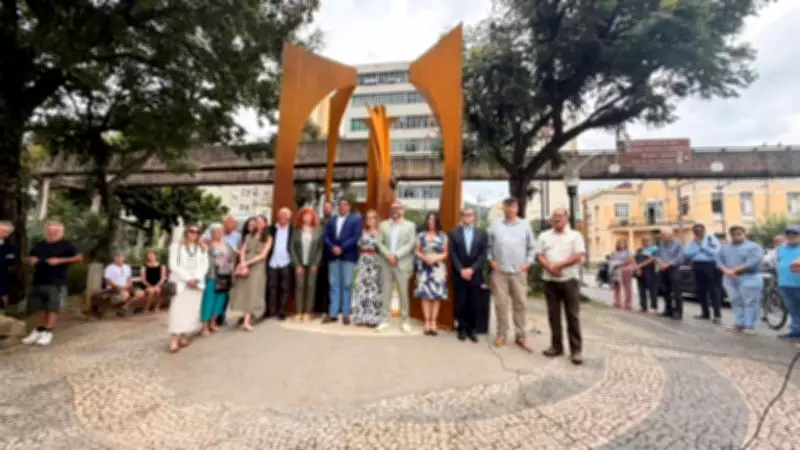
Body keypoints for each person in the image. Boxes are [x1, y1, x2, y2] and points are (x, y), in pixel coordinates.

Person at [537, 208, 586, 365]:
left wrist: (559, 266)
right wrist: (550, 267)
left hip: (569, 280)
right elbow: (539, 255)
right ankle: (556, 346)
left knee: (572, 316)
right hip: (549, 281)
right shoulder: (544, 236)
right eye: (554, 216)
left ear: (567, 217)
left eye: (560, 216)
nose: (557, 219)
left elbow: (578, 255)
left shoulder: (575, 236)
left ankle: (576, 350)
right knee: (553, 316)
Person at [21, 221, 82, 347]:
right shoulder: (40, 245)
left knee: (53, 307)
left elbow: (79, 258)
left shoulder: (67, 245)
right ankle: (40, 329)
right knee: (38, 307)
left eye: (55, 231)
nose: (51, 234)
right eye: (49, 231)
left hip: (56, 281)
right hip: (38, 280)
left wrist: (60, 260)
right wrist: (30, 260)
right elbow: (28, 258)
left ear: (61, 232)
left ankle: (49, 331)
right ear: (45, 232)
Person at [488, 197, 536, 352]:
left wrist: (527, 263)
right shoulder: (495, 226)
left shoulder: (525, 225)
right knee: (501, 304)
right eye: (507, 207)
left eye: (513, 207)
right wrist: (491, 260)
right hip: (500, 271)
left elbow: (532, 247)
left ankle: (521, 336)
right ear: (504, 208)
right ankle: (501, 334)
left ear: (517, 208)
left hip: (519, 272)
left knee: (521, 304)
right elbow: (488, 247)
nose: (510, 209)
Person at [166, 225, 209, 352]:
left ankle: (183, 335)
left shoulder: (202, 248)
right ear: (186, 232)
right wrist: (187, 278)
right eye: (192, 231)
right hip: (182, 283)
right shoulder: (177, 247)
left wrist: (196, 278)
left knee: (191, 311)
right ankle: (174, 338)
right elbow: (173, 265)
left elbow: (204, 265)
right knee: (177, 310)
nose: (194, 234)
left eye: (197, 232)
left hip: (196, 282)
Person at [376, 201, 417, 332]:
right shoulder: (383, 225)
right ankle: (384, 320)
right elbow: (378, 243)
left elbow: (410, 244)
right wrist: (388, 255)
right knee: (386, 292)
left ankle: (405, 320)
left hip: (402, 264)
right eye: (393, 208)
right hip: (386, 263)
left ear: (403, 210)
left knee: (403, 293)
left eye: (398, 208)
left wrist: (396, 255)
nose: (396, 210)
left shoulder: (410, 226)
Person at [717, 225, 764, 335]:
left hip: (749, 277)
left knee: (750, 302)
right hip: (730, 278)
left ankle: (749, 325)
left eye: (739, 234)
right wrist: (726, 270)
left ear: (744, 234)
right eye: (733, 235)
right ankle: (739, 323)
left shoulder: (754, 247)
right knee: (735, 301)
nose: (736, 236)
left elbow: (752, 262)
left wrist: (734, 270)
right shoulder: (725, 248)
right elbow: (719, 260)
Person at [449, 208, 487, 342]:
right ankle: (462, 328)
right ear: (461, 217)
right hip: (459, 274)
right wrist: (461, 270)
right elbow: (452, 254)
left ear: (474, 217)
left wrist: (472, 269)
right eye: (465, 215)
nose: (467, 217)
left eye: (470, 215)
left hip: (475, 275)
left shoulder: (482, 234)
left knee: (474, 303)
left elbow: (483, 255)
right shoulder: (453, 233)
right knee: (461, 303)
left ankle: (472, 329)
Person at [323, 198, 362, 324]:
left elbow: (356, 237)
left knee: (347, 284)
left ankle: (346, 314)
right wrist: (332, 247)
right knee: (334, 284)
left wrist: (342, 248)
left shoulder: (356, 219)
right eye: (340, 205)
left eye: (345, 204)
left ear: (349, 207)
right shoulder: (332, 220)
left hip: (348, 256)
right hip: (333, 256)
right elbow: (326, 236)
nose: (342, 207)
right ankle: (333, 313)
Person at [229, 216, 271, 331]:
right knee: (244, 290)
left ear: (266, 224)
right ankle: (245, 317)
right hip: (245, 265)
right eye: (257, 222)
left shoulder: (268, 238)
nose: (259, 224)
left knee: (253, 291)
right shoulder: (249, 236)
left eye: (261, 222)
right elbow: (242, 250)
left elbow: (263, 255)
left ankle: (247, 320)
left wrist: (247, 263)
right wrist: (242, 263)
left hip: (257, 266)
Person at [414, 211, 449, 336]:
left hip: (438, 269)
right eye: (429, 219)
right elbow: (416, 251)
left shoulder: (443, 236)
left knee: (436, 296)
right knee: (425, 295)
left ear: (437, 221)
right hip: (424, 268)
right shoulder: (421, 235)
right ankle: (427, 321)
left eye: (433, 220)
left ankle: (434, 322)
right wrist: (424, 258)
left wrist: (435, 259)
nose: (430, 222)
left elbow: (445, 253)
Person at [201, 223, 236, 336]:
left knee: (220, 300)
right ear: (211, 232)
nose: (219, 233)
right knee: (209, 300)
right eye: (216, 231)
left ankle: (213, 322)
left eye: (221, 231)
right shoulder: (208, 245)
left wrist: (232, 270)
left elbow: (231, 259)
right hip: (212, 275)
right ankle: (205, 326)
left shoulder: (227, 245)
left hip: (224, 275)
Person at [684, 223, 723, 323]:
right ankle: (705, 313)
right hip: (697, 266)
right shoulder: (692, 241)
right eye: (696, 231)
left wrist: (701, 245)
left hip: (711, 265)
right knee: (701, 291)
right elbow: (687, 253)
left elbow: (714, 252)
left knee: (714, 291)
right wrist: (699, 249)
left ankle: (717, 315)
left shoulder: (711, 239)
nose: (698, 232)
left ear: (704, 230)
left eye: (700, 230)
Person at [290, 207, 323, 322]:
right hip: (300, 264)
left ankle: (308, 312)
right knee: (299, 286)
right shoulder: (297, 230)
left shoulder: (318, 230)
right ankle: (299, 312)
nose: (307, 218)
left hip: (312, 264)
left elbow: (320, 249)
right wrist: (297, 264)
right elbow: (292, 248)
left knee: (310, 287)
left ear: (312, 217)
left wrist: (315, 264)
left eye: (309, 216)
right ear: (302, 217)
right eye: (305, 215)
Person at [352, 210, 383, 327]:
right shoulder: (362, 232)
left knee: (373, 289)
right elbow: (359, 247)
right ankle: (361, 317)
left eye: (372, 218)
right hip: (364, 261)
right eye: (368, 218)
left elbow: (382, 248)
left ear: (376, 219)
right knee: (362, 288)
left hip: (375, 261)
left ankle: (373, 318)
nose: (370, 220)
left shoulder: (380, 233)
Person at [266, 208, 294, 320]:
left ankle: (282, 311)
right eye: (280, 214)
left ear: (288, 217)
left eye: (285, 215)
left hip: (286, 261)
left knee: (285, 287)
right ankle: (270, 310)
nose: (282, 217)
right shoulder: (272, 229)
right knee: (271, 287)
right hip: (273, 261)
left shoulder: (292, 229)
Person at [775, 225, 800, 340]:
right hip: (785, 283)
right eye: (789, 233)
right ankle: (796, 331)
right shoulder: (781, 248)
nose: (791, 236)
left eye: (795, 234)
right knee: (793, 309)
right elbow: (778, 261)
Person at [655, 227, 684, 320]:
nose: (661, 237)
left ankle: (678, 312)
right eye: (661, 235)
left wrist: (667, 264)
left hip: (673, 269)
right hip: (662, 270)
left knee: (676, 292)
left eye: (663, 235)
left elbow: (679, 258)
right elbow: (657, 255)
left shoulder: (678, 244)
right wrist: (659, 262)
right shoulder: (661, 244)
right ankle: (668, 310)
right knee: (665, 291)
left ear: (670, 235)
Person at [103, 251, 144, 316]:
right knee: (126, 295)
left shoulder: (127, 267)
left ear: (123, 258)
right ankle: (125, 309)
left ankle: (125, 306)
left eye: (121, 257)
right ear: (114, 258)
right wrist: (120, 287)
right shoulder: (110, 268)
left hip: (126, 287)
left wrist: (128, 285)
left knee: (141, 293)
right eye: (118, 257)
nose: (120, 259)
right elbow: (108, 281)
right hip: (114, 288)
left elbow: (129, 278)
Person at [315, 201, 336, 318]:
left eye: (328, 207)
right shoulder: (320, 221)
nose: (326, 209)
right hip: (319, 255)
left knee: (330, 283)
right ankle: (320, 308)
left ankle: (330, 308)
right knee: (320, 283)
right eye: (325, 208)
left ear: (332, 208)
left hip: (331, 255)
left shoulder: (335, 221)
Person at [633, 236, 659, 312]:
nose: (647, 242)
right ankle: (643, 306)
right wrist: (637, 269)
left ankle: (654, 307)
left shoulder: (655, 249)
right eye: (645, 240)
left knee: (652, 290)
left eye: (649, 240)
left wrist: (640, 265)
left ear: (652, 241)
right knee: (641, 289)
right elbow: (635, 259)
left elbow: (653, 259)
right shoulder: (639, 249)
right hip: (640, 271)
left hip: (650, 271)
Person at [609, 239, 634, 310]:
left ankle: (628, 304)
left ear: (625, 244)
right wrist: (614, 264)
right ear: (617, 245)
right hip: (616, 271)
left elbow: (630, 260)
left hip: (625, 270)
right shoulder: (614, 253)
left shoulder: (628, 252)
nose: (621, 245)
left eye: (623, 244)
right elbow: (611, 260)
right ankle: (617, 302)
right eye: (620, 244)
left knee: (627, 287)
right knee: (616, 287)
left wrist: (620, 263)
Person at [0, 221, 18, 309]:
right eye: (1, 229)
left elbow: (11, 262)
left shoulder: (10, 248)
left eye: (5, 231)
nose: (1, 232)